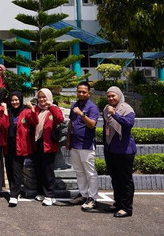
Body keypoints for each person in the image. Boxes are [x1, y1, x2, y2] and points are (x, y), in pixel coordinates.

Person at [103, 86, 136, 218]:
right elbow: (106, 127)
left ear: (119, 96)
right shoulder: (106, 109)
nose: (111, 98)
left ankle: (127, 208)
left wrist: (115, 114)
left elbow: (128, 124)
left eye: (113, 96)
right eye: (109, 96)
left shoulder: (127, 109)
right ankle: (118, 203)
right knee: (115, 178)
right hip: (111, 149)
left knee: (125, 180)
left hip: (124, 150)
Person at [66, 81, 99, 210]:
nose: (81, 93)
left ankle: (93, 198)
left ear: (89, 93)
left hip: (86, 145)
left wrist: (81, 114)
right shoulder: (74, 105)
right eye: (79, 91)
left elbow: (92, 124)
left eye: (84, 92)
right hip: (75, 144)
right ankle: (83, 194)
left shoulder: (92, 107)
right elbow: (71, 123)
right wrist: (68, 140)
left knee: (90, 173)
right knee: (79, 172)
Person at [5, 91, 37, 207]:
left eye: (16, 100)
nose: (14, 102)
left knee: (17, 169)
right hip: (8, 145)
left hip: (20, 145)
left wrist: (32, 109)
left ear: (21, 99)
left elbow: (34, 121)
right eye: (13, 100)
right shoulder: (8, 111)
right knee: (9, 168)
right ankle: (14, 190)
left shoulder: (25, 111)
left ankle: (14, 195)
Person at [33, 88, 65, 206]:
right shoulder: (36, 109)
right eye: (40, 97)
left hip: (48, 144)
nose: (42, 100)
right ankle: (40, 192)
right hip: (37, 143)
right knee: (38, 169)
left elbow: (60, 119)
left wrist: (51, 106)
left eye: (44, 97)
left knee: (48, 171)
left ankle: (50, 195)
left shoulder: (53, 109)